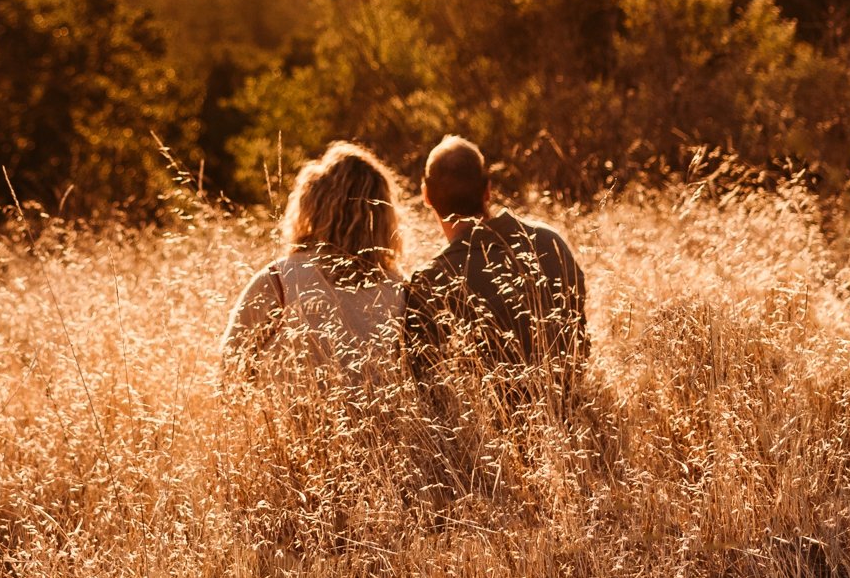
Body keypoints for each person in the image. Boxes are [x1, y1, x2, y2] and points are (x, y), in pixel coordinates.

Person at [404, 134, 588, 406]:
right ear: (487, 190)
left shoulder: (431, 281)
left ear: (426, 195)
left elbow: (425, 384)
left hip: (481, 442)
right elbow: (579, 341)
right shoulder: (550, 242)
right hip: (569, 418)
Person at [221, 141, 407, 385]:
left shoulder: (279, 280)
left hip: (282, 423)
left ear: (311, 204)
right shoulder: (398, 289)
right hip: (383, 424)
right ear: (384, 215)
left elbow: (230, 369)